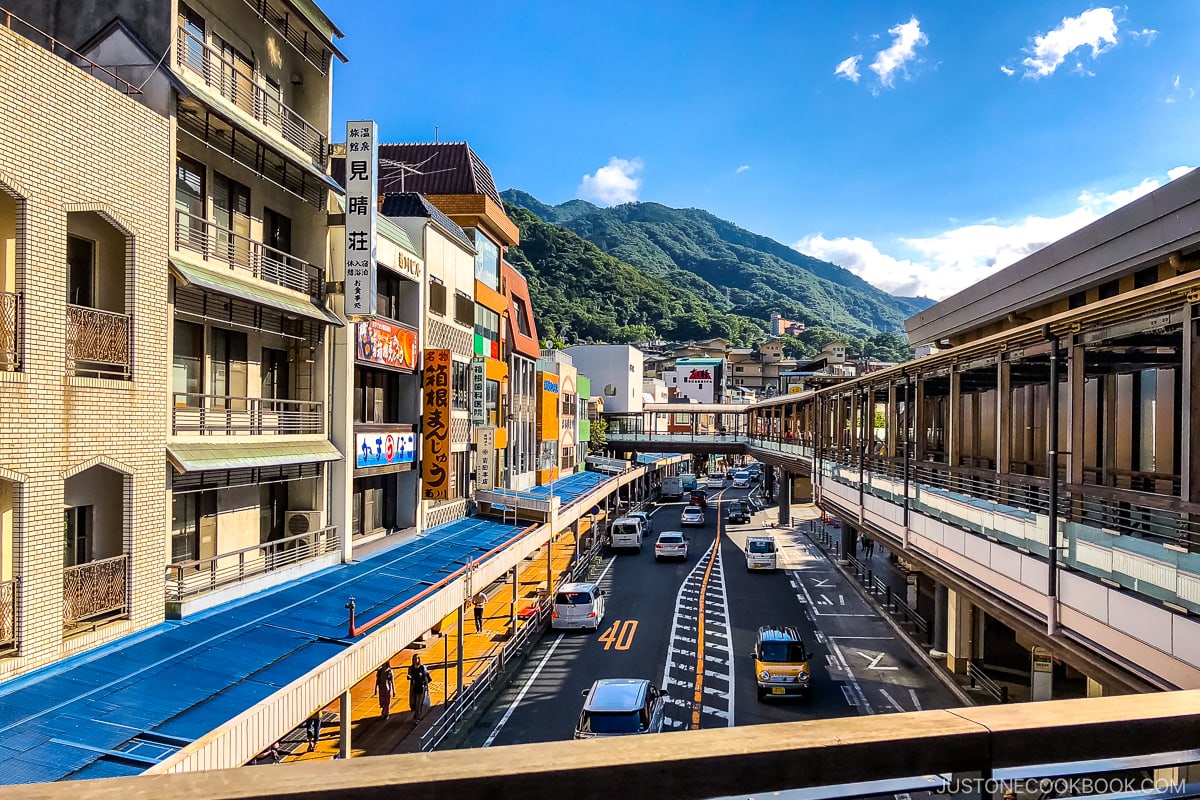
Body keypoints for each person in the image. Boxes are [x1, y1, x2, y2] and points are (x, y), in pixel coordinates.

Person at [407, 654, 432, 722]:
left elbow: (425, 677)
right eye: (414, 659)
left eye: (417, 658)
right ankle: (416, 713)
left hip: (421, 687)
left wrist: (427, 688)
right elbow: (409, 675)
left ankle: (418, 717)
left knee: (418, 703)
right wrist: (409, 677)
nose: (415, 660)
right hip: (413, 687)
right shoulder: (411, 668)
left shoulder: (422, 668)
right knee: (413, 703)